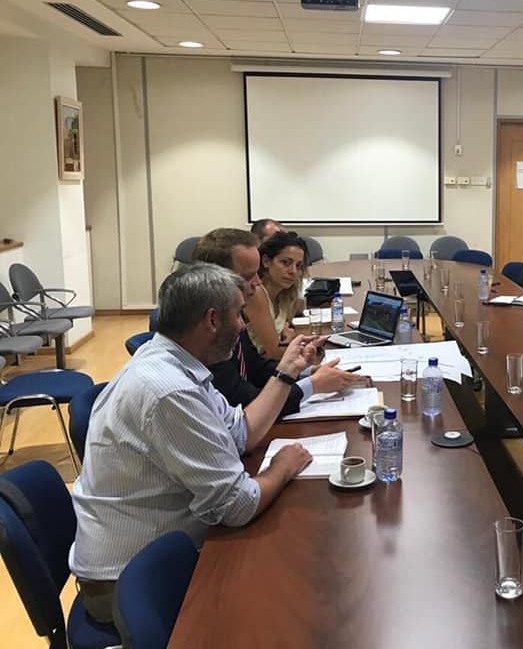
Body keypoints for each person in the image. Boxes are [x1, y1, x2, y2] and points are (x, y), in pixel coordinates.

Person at [70, 263, 316, 622]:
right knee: (293, 588)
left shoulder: (174, 359)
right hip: (130, 587)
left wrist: (287, 371)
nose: (244, 325)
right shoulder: (169, 391)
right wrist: (282, 468)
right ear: (212, 320)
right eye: (239, 314)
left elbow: (240, 432)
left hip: (152, 556)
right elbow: (237, 506)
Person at [192, 228, 365, 417]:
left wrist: (304, 371)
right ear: (214, 280)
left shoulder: (232, 315)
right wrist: (313, 385)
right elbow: (247, 404)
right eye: (248, 277)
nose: (258, 283)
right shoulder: (206, 336)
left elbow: (256, 368)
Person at [246, 231, 308, 361]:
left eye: (299, 266)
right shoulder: (256, 293)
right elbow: (273, 354)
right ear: (266, 261)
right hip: (258, 368)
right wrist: (290, 340)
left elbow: (300, 308)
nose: (293, 271)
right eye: (285, 262)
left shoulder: (284, 293)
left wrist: (288, 334)